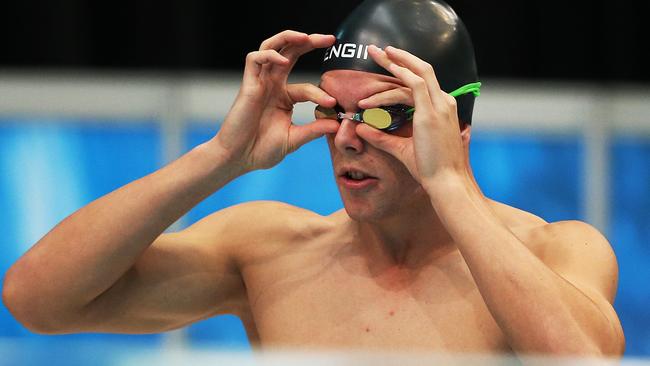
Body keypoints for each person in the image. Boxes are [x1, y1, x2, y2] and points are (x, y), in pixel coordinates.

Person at [2, 0, 624, 357]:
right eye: (332, 110)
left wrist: (450, 186)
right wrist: (220, 155)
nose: (350, 136)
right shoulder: (269, 254)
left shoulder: (556, 251)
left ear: (455, 121)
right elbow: (38, 300)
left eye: (386, 114)